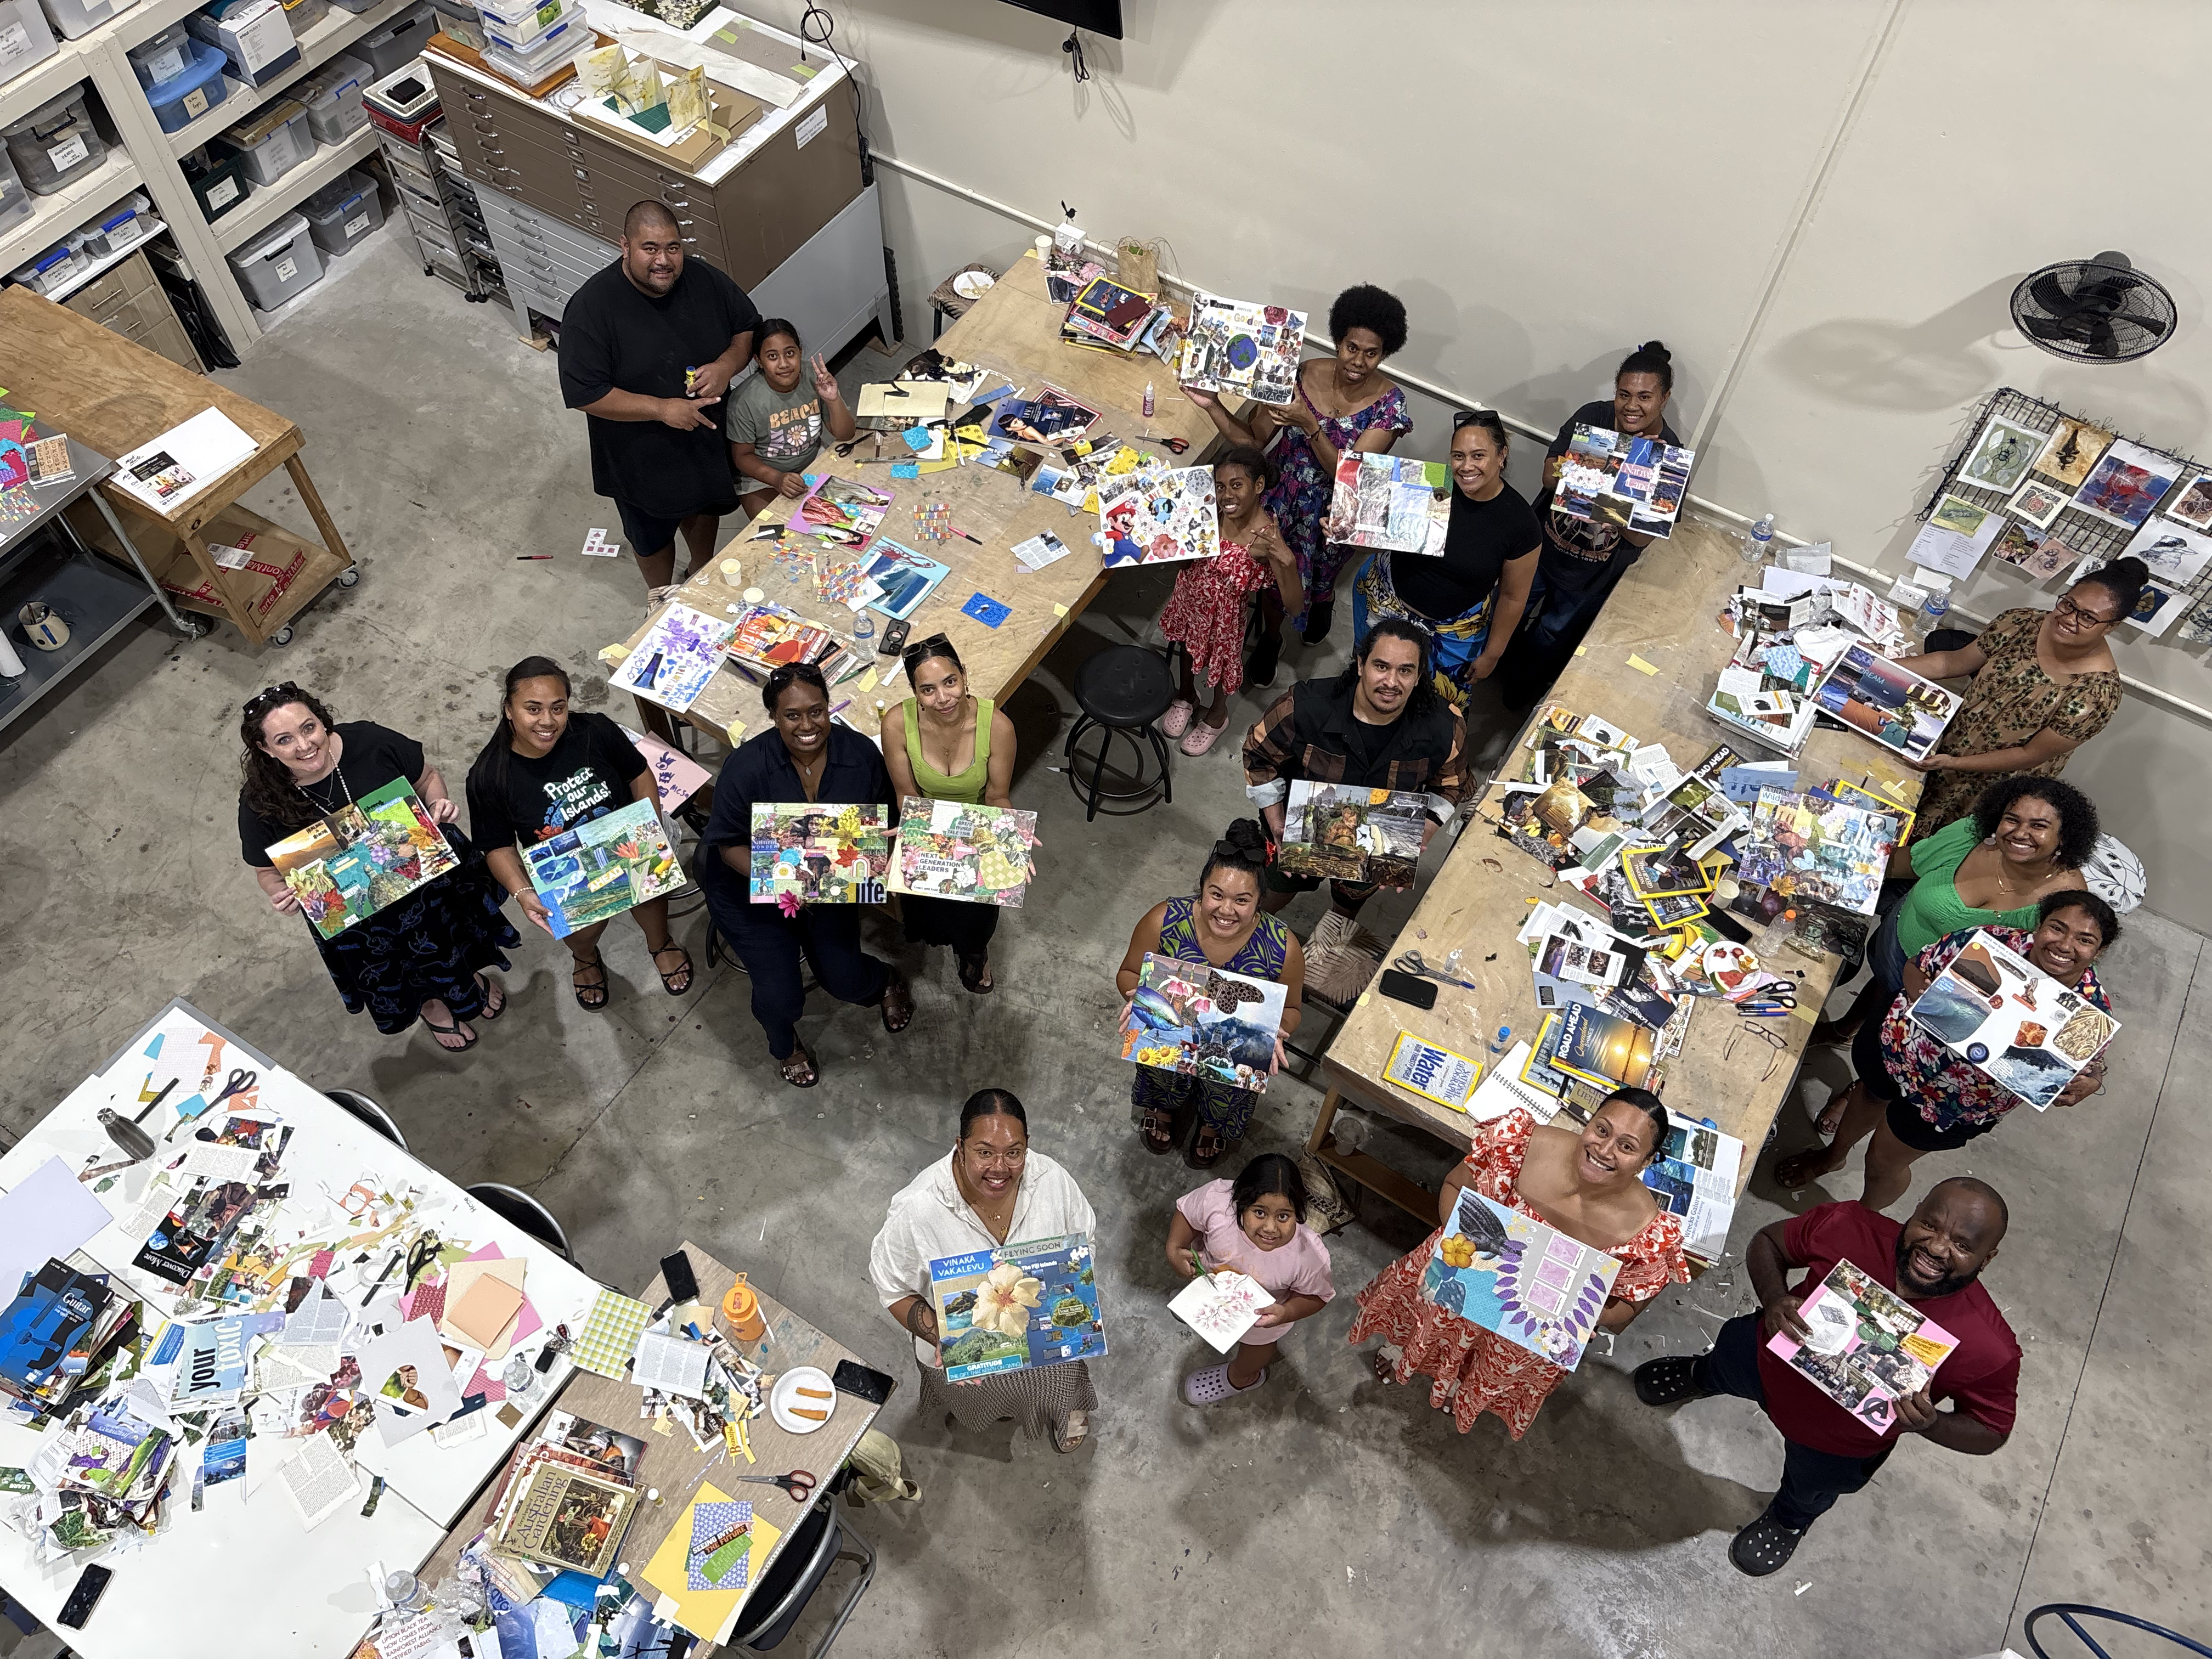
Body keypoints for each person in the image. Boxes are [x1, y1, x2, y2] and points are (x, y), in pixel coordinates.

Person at [1632, 1180, 2019, 1577]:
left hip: (1840, 1443)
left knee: (1810, 1489)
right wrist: (1775, 1299)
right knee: (1721, 1364)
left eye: (1963, 1245)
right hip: (1762, 1360)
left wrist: (1932, 1424)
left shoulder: (1991, 1348)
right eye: (1930, 1225)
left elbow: (1992, 1431)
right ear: (1916, 1210)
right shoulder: (1847, 1225)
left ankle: (1789, 1519)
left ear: (1987, 1259)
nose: (1937, 1248)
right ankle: (1700, 1375)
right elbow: (1768, 1242)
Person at [1347, 1093, 1689, 1438]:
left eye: (1627, 1147)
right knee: (1426, 1324)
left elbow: (1627, 1307)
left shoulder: (1647, 1231)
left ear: (1646, 1162)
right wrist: (1467, 1251)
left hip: (1530, 1326)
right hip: (1462, 1277)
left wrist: (1571, 1305)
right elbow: (1454, 1186)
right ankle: (1406, 1350)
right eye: (1602, 1130)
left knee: (1485, 1362)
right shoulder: (1523, 1144)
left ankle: (1461, 1384)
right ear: (1589, 1122)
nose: (1604, 1150)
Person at [1776, 892, 2119, 1207]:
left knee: (1884, 1160)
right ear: (2040, 924)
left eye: (2085, 940)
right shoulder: (1989, 942)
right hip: (1900, 1048)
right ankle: (1833, 1156)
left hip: (1957, 1103)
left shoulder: (2090, 1013)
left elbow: (2085, 1069)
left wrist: (2089, 1080)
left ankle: (1860, 1220)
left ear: (2099, 952)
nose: (2065, 945)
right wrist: (1919, 992)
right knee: (1868, 1096)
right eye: (2057, 928)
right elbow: (1917, 965)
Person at [238, 684, 517, 1051]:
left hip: (426, 882)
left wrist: (439, 804)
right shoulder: (260, 801)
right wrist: (281, 894)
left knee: (451, 938)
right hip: (361, 922)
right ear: (265, 748)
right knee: (398, 967)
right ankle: (432, 1008)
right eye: (284, 740)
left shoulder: (371, 742)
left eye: (309, 729)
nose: (305, 746)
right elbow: (266, 871)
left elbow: (428, 779)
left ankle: (466, 980)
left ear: (322, 722)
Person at [697, 663, 912, 1085]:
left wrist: (886, 858)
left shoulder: (860, 754)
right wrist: (788, 886)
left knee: (846, 980)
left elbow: (882, 819)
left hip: (827, 885)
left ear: (829, 707)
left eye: (816, 711)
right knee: (779, 996)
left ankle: (883, 980)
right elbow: (727, 846)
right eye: (792, 716)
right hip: (751, 891)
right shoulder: (746, 767)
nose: (807, 725)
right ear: (774, 718)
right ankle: (786, 1046)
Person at [1242, 618, 1470, 991]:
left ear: (1418, 676)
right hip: (1300, 833)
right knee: (1274, 890)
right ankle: (1241, 943)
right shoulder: (1305, 707)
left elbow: (1451, 785)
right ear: (1361, 663)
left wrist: (1417, 836)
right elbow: (1257, 754)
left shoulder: (1444, 726)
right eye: (1381, 666)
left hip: (1376, 844)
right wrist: (1278, 821)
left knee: (1349, 900)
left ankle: (1329, 947)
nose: (1391, 682)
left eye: (1405, 671)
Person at [1186, 284, 1413, 654]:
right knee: (1276, 576)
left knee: (1323, 572)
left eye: (1372, 354)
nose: (1358, 361)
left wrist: (1310, 425)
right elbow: (1255, 442)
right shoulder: (1304, 374)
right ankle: (1272, 638)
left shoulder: (1391, 405)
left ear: (1385, 355)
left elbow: (1348, 478)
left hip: (1334, 509)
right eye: (1352, 348)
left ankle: (1323, 602)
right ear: (1338, 341)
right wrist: (1212, 406)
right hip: (1281, 494)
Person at [868, 1089, 1099, 1452]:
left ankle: (1061, 1406)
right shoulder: (917, 1209)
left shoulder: (1051, 1180)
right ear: (960, 1146)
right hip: (972, 1354)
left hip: (1044, 1338)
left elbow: (1083, 1240)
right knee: (981, 1402)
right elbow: (893, 1288)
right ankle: (996, 1413)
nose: (1000, 1168)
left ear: (1027, 1146)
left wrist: (1071, 1284)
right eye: (984, 1152)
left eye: (1014, 1152)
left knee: (1056, 1383)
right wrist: (939, 1336)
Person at [465, 657, 693, 1012]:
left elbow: (639, 774)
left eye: (558, 708)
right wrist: (523, 891)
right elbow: (496, 845)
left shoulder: (596, 731)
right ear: (508, 709)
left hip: (626, 843)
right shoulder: (488, 776)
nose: (547, 721)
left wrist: (648, 826)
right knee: (583, 934)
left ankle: (660, 943)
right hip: (566, 872)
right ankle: (585, 959)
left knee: (650, 902)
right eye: (533, 709)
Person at [558, 201, 761, 591]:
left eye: (673, 247)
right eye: (649, 248)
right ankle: (661, 598)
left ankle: (700, 576)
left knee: (703, 508)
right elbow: (584, 392)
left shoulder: (704, 280)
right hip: (637, 453)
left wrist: (726, 366)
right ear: (625, 246)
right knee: (650, 535)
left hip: (704, 437)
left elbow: (746, 327)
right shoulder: (592, 308)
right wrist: (661, 410)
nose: (663, 260)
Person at [1812, 777, 2097, 1046]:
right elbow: (1905, 863)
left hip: (1949, 995)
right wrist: (1827, 854)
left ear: (2064, 837)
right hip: (1897, 941)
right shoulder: (1969, 835)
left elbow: (2059, 975)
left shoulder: (2067, 901)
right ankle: (1843, 1029)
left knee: (1889, 1053)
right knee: (1881, 990)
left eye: (2039, 826)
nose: (2020, 833)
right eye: (2012, 819)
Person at [1889, 559, 2138, 840]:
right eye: (2068, 605)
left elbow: (2028, 755)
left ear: (2111, 627)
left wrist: (1952, 763)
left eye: (2088, 617)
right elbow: (1950, 663)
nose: (2070, 619)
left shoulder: (2097, 694)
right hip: (1941, 744)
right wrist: (1873, 664)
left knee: (1933, 850)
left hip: (1991, 785)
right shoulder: (2021, 623)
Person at [1496, 342, 1683, 712]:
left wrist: (1596, 475)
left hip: (1592, 575)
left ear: (1664, 399)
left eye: (1645, 397)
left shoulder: (1670, 454)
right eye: (1624, 394)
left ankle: (1519, 687)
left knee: (1551, 636)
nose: (1632, 406)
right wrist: (1621, 465)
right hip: (1541, 547)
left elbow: (1640, 534)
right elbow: (1551, 477)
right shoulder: (1593, 417)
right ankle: (1492, 666)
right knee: (1506, 610)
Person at [1116, 821, 1306, 1167]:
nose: (1226, 910)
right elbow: (1128, 972)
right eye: (1216, 894)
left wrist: (1276, 1031)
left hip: (1234, 1051)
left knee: (1227, 1090)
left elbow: (1292, 1008)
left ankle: (1212, 1123)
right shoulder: (1164, 920)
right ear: (1202, 889)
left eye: (1242, 900)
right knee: (1163, 1071)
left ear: (1261, 900)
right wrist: (1138, 996)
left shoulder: (1284, 947)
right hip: (1170, 1036)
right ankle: (1162, 1105)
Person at [1351, 409, 1541, 704]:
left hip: (1454, 631)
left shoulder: (1521, 525)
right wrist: (1345, 527)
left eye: (1479, 456)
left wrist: (1492, 654)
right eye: (1458, 456)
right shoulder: (1428, 486)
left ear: (1502, 456)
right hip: (1385, 600)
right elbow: (1369, 540)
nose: (1466, 467)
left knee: (1436, 707)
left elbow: (1514, 597)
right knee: (1373, 685)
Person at [881, 633, 1020, 994]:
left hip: (976, 830)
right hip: (924, 824)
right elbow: (906, 794)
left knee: (975, 916)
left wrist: (1007, 840)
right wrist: (919, 836)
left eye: (950, 682)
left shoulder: (998, 728)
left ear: (964, 676)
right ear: (914, 692)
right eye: (927, 690)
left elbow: (997, 796)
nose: (943, 698)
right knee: (931, 910)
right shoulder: (897, 724)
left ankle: (975, 953)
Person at [1157, 446, 1304, 755]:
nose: (1227, 495)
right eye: (1220, 486)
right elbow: (1184, 564)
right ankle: (1186, 694)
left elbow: (1294, 607)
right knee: (1187, 643)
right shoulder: (1207, 512)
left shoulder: (1265, 538)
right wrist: (1172, 539)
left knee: (1223, 664)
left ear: (1258, 486)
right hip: (1189, 596)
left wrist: (1287, 561)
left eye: (1237, 485)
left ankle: (1218, 714)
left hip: (1224, 617)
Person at [1166, 1153, 1335, 1404]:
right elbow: (1189, 1215)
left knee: (1257, 1348)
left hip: (1262, 1314)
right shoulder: (1217, 1202)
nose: (1270, 1228)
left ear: (1299, 1213)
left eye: (1283, 1216)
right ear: (1240, 1202)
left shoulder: (1308, 1256)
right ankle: (1198, 1309)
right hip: (1210, 1285)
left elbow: (1317, 1295)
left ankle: (1242, 1378)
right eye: (1259, 1212)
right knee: (1202, 1307)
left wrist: (1286, 1313)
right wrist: (1175, 1248)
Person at [726, 317, 855, 520]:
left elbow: (846, 434)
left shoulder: (814, 377)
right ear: (758, 361)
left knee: (845, 515)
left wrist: (833, 399)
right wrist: (777, 479)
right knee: (779, 534)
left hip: (810, 460)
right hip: (762, 477)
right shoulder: (744, 400)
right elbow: (742, 457)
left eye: (790, 353)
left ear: (800, 352)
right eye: (772, 357)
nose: (784, 364)